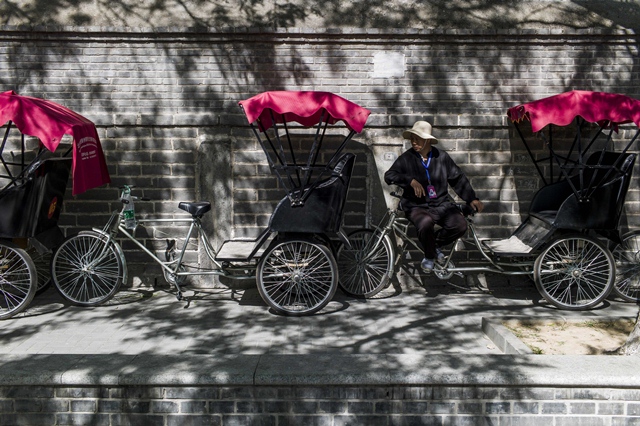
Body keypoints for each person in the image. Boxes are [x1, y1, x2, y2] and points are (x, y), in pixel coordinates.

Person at [384, 120, 484, 271]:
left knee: (460, 225)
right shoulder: (407, 158)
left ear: (428, 140)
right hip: (416, 206)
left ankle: (433, 245)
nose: (413, 141)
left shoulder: (441, 157)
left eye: (417, 138)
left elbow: (457, 179)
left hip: (441, 205)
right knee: (425, 223)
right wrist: (409, 180)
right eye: (412, 138)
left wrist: (472, 198)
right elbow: (389, 175)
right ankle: (430, 256)